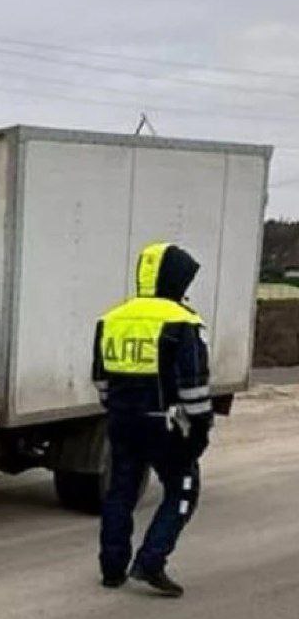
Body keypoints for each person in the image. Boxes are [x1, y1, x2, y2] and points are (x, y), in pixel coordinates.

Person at [91, 242, 213, 597]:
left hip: (121, 421)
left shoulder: (111, 318)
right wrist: (200, 432)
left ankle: (112, 569)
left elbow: (101, 379)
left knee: (121, 492)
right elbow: (194, 388)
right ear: (175, 279)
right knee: (183, 488)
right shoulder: (183, 322)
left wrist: (117, 409)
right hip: (166, 425)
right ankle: (151, 561)